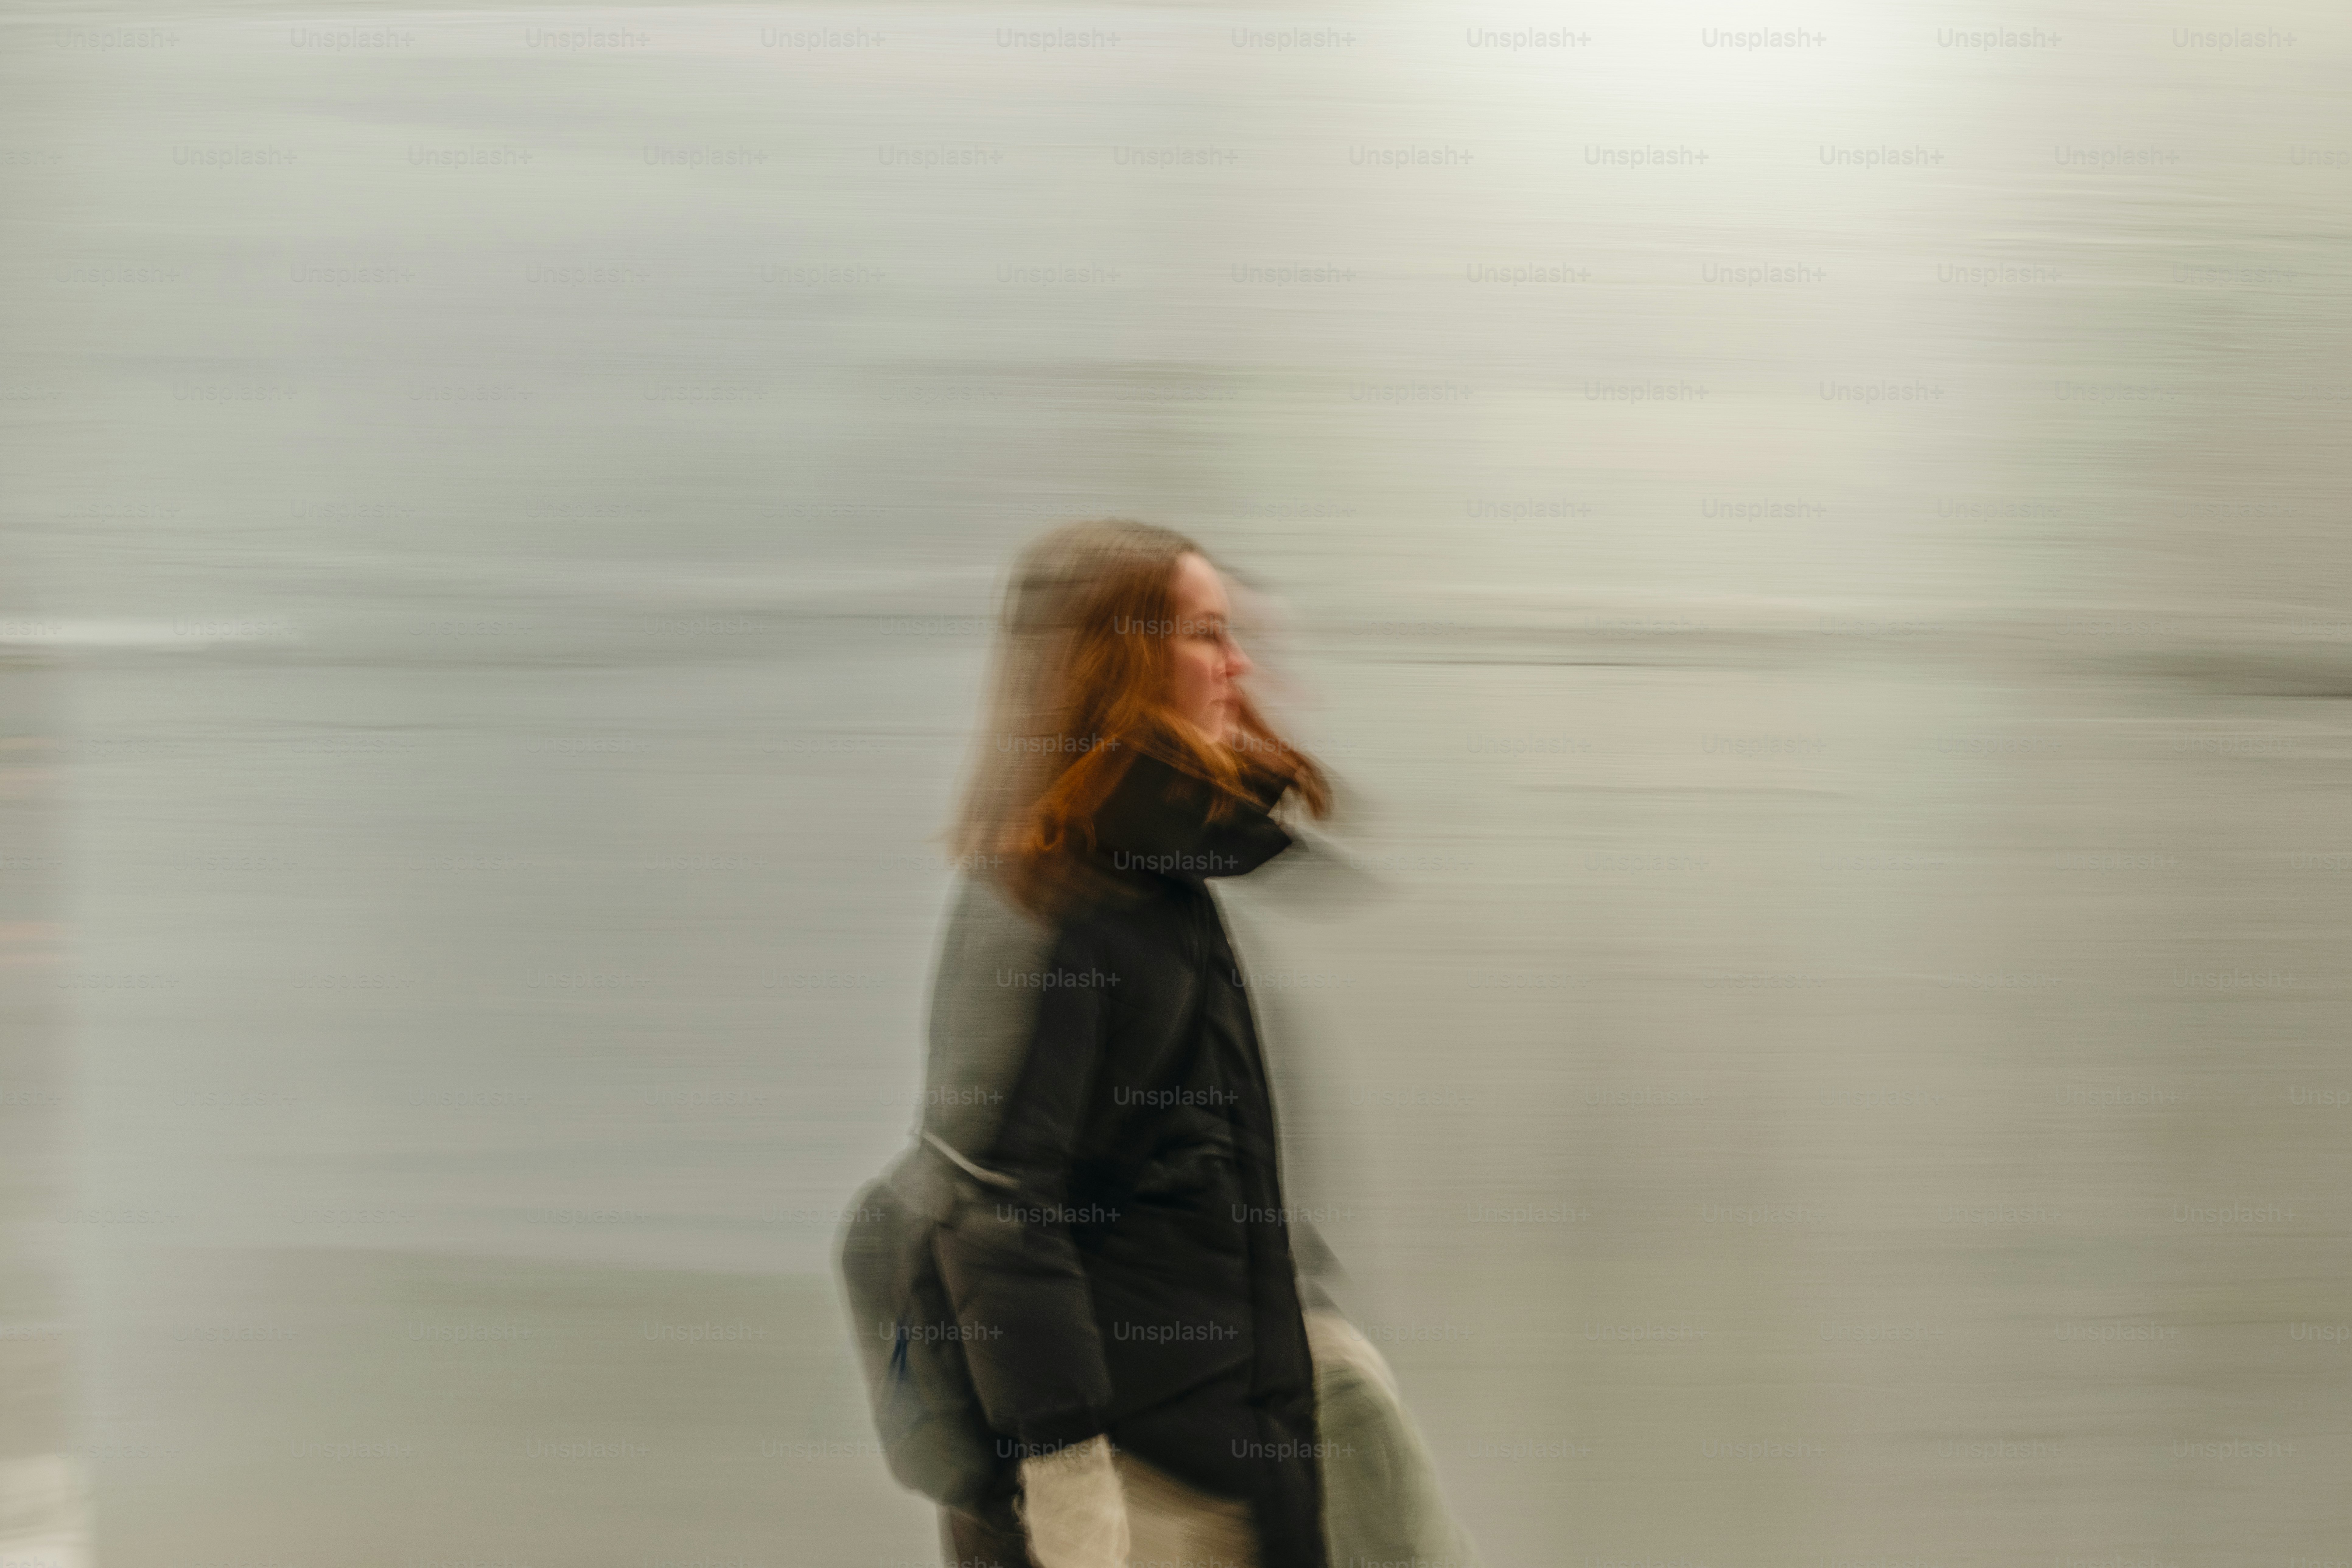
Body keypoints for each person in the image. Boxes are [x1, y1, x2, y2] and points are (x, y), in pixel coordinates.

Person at [916, 519, 1334, 1568]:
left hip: (1214, 1445)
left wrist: (1313, 1335)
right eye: (1205, 634)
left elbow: (1191, 1160)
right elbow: (998, 1214)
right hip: (1147, 1491)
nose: (1238, 665)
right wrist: (1066, 1484)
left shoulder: (1154, 883)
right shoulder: (1060, 909)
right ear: (1117, 666)